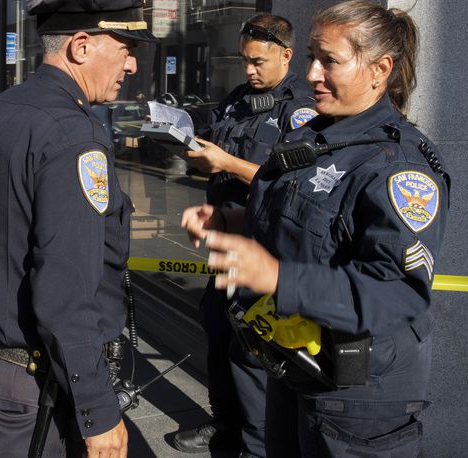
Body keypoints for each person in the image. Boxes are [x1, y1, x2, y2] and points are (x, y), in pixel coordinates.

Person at [181, 1, 450, 456]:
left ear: (379, 69)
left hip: (357, 397)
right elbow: (306, 218)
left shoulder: (400, 169)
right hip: (298, 364)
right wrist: (231, 221)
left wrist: (278, 278)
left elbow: (397, 292)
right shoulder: (320, 137)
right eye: (310, 56)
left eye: (330, 60)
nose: (311, 74)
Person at [0, 1, 157, 456]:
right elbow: (67, 291)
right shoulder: (75, 137)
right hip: (40, 386)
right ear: (81, 47)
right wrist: (97, 410)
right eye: (126, 47)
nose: (133, 63)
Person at [172, 14, 316, 458]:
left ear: (286, 55)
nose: (250, 70)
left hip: (266, 258)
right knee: (219, 341)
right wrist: (197, 155)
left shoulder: (302, 111)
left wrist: (228, 165)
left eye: (259, 61)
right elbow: (216, 151)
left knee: (255, 360)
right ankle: (225, 429)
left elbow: (295, 187)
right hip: (225, 249)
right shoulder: (236, 101)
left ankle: (259, 445)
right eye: (244, 60)